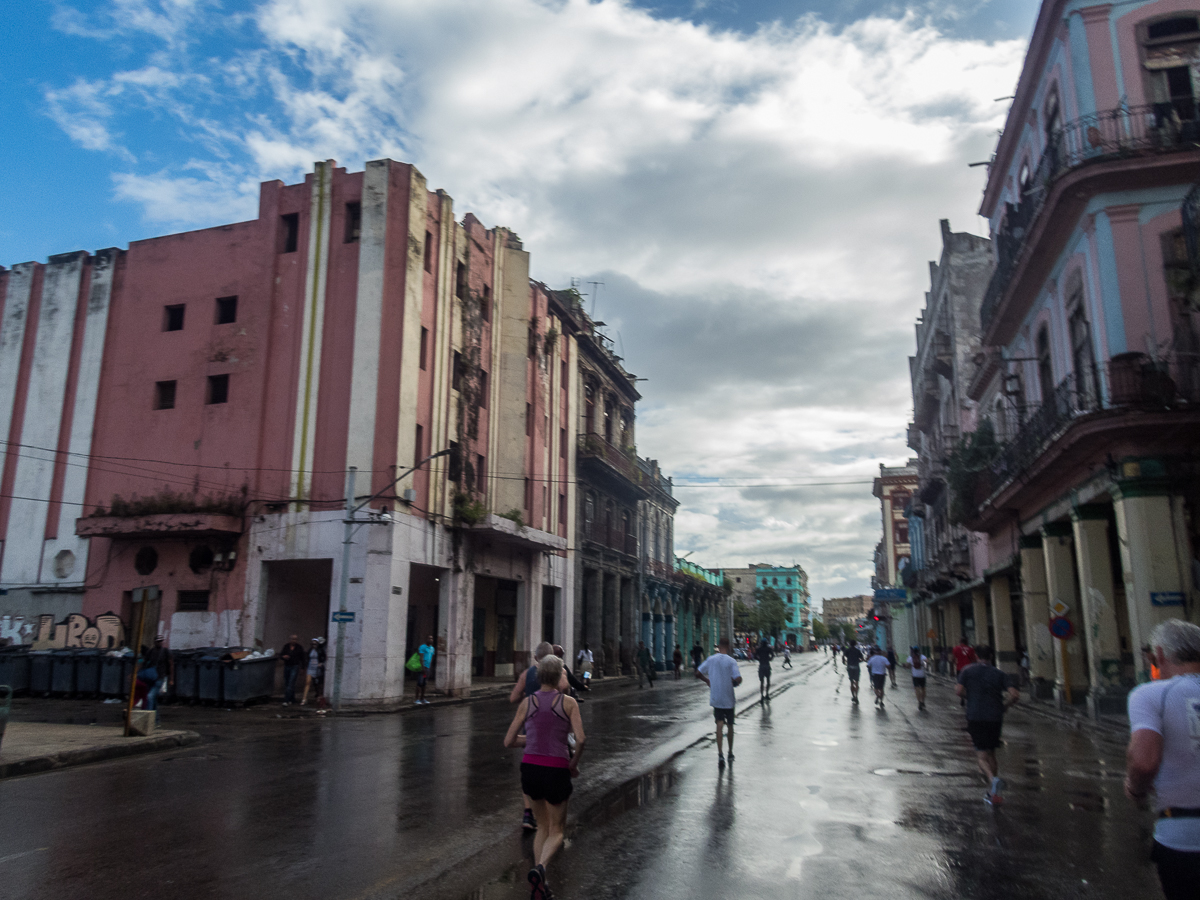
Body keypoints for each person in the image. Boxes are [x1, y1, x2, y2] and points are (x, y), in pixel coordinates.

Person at [1125, 619, 1200, 900]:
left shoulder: (1151, 694)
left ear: (1158, 655)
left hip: (1183, 839)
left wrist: (1135, 789)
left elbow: (1144, 762)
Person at [504, 655, 585, 900]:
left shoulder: (527, 703)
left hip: (529, 769)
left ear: (539, 676)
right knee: (557, 830)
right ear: (559, 675)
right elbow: (581, 739)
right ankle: (540, 869)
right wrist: (573, 764)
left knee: (541, 827)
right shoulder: (569, 703)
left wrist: (530, 741)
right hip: (556, 770)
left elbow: (509, 741)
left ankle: (540, 885)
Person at [510, 642, 570, 832]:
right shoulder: (558, 673)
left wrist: (527, 698)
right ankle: (549, 818)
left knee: (530, 769)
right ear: (553, 656)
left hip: (531, 732)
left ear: (535, 658)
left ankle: (529, 812)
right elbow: (565, 688)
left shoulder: (526, 674)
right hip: (553, 731)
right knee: (551, 768)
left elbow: (512, 698)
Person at [956, 645, 1019, 805]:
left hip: (976, 716)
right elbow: (1014, 694)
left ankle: (993, 780)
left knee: (981, 757)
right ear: (991, 656)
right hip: (995, 717)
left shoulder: (967, 671)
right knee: (991, 753)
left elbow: (959, 691)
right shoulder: (999, 674)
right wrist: (1004, 706)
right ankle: (993, 793)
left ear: (976, 656)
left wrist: (971, 696)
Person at [696, 637, 743, 767]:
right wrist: (735, 682)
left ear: (718, 646)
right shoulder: (731, 661)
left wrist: (707, 681)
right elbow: (738, 678)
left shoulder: (711, 660)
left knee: (719, 725)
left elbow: (697, 673)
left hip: (716, 699)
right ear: (728, 646)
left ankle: (720, 754)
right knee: (730, 726)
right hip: (729, 699)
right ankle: (730, 752)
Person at [142, 636, 171, 722]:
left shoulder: (166, 652)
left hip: (160, 678)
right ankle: (156, 719)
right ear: (155, 642)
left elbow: (171, 664)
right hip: (151, 678)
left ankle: (148, 719)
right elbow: (145, 662)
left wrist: (171, 678)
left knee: (150, 696)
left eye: (161, 641)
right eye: (158, 641)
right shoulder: (151, 651)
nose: (160, 643)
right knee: (153, 699)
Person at [280, 634, 306, 705]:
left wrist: (303, 668)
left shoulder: (299, 647)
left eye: (295, 639)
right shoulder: (286, 646)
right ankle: (292, 699)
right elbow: (281, 655)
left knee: (291, 682)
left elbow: (302, 658)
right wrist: (283, 657)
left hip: (295, 666)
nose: (294, 641)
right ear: (290, 639)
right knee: (287, 682)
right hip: (287, 665)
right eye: (293, 639)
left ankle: (286, 700)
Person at [301, 637, 326, 706]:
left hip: (317, 668)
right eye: (313, 644)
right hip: (310, 667)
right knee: (307, 682)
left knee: (317, 684)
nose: (314, 645)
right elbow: (307, 658)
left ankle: (318, 696)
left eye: (315, 644)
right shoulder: (310, 651)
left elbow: (323, 657)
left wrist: (321, 663)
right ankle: (304, 698)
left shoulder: (320, 650)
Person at [905, 645, 928, 709]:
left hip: (915, 676)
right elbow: (927, 662)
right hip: (922, 675)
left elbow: (907, 666)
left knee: (917, 689)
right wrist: (924, 665)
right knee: (923, 689)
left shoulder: (911, 657)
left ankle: (919, 702)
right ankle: (923, 701)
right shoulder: (922, 656)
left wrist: (907, 665)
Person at [415, 635, 436, 705]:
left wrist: (430, 667)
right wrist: (422, 667)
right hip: (422, 668)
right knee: (419, 683)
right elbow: (421, 658)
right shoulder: (422, 647)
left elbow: (431, 658)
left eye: (432, 638)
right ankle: (417, 699)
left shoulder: (432, 648)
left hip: (428, 668)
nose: (431, 639)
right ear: (426, 639)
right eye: (429, 638)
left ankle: (422, 698)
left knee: (424, 683)